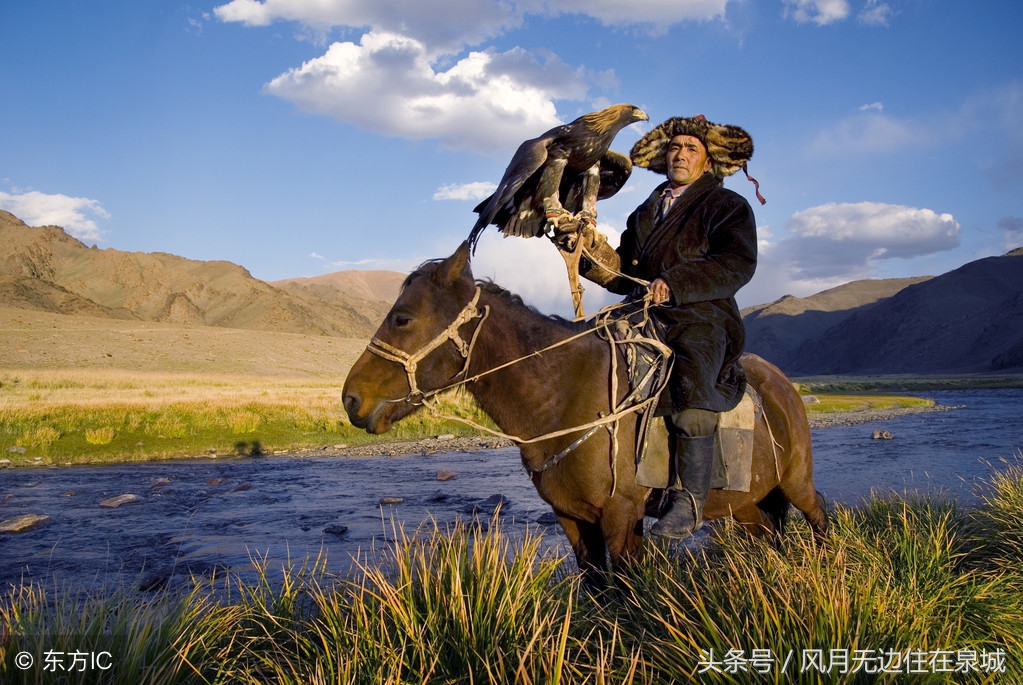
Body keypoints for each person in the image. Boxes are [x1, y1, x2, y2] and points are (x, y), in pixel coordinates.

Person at [577, 114, 761, 539]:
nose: (680, 154)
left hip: (702, 314)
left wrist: (675, 283)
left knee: (694, 386)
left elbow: (736, 264)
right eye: (675, 147)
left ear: (708, 161)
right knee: (587, 362)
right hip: (642, 312)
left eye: (691, 149)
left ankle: (690, 499)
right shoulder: (646, 210)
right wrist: (588, 252)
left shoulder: (728, 206)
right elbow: (624, 273)